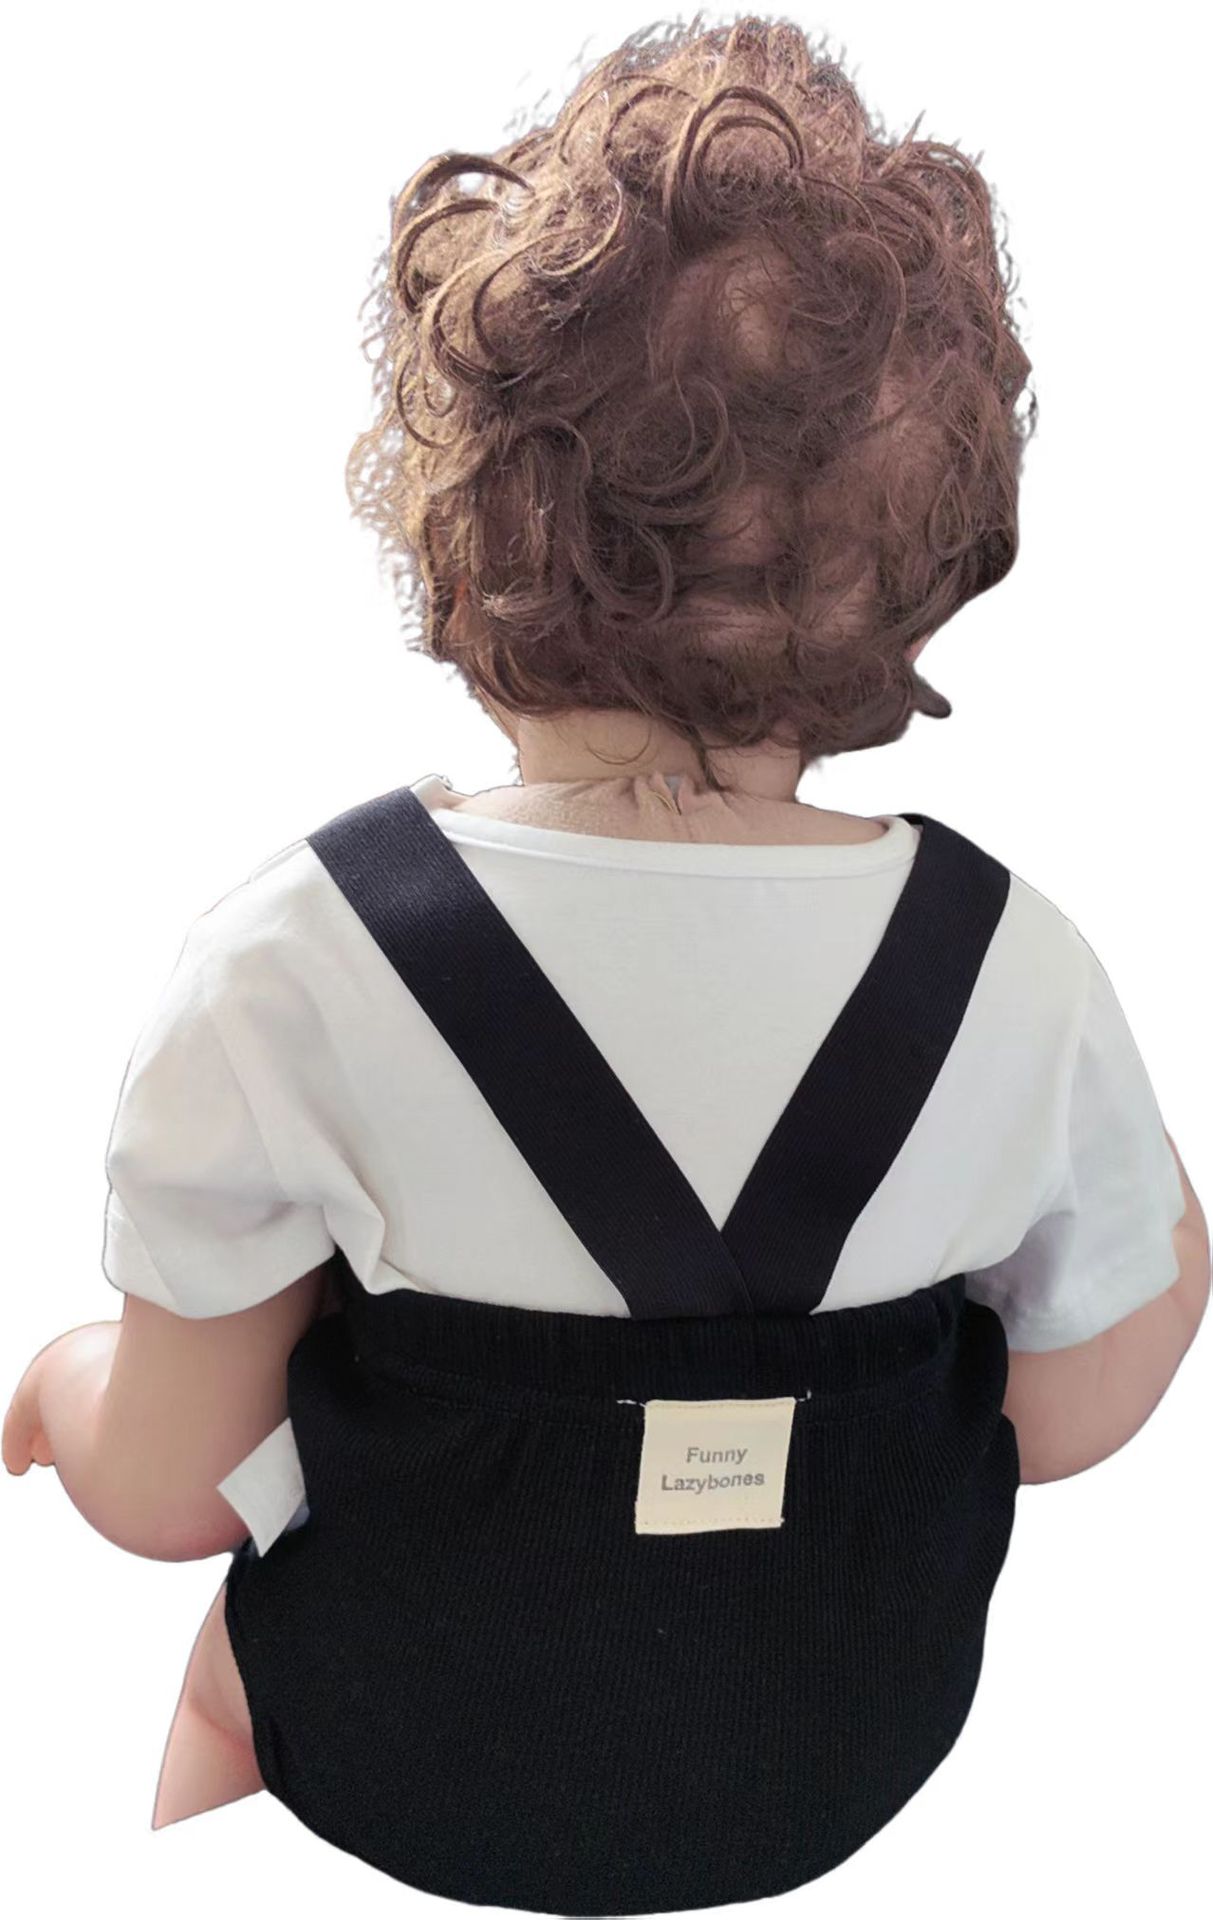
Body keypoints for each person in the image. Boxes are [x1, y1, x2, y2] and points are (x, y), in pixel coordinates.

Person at [4, 13, 1208, 1911]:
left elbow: (165, 1491)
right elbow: (1072, 1416)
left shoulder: (293, 964)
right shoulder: (1015, 974)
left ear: (458, 533)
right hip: (848, 1747)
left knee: (228, 1676)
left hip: (402, 1759)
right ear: (920, 578)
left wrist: (65, 1388)